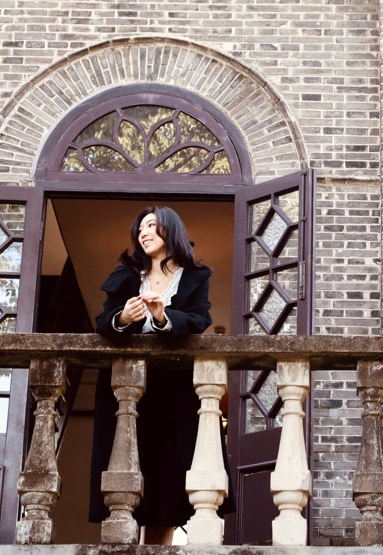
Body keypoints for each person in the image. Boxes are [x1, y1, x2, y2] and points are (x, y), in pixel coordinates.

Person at [88, 206, 231, 545]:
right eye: (140, 228)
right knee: (124, 464)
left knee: (168, 474)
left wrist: (163, 317)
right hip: (126, 387)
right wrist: (124, 317)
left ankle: (157, 547)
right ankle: (122, 546)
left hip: (174, 390)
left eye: (152, 225)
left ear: (170, 230)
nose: (144, 232)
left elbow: (199, 320)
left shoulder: (195, 277)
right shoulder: (126, 275)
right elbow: (103, 321)